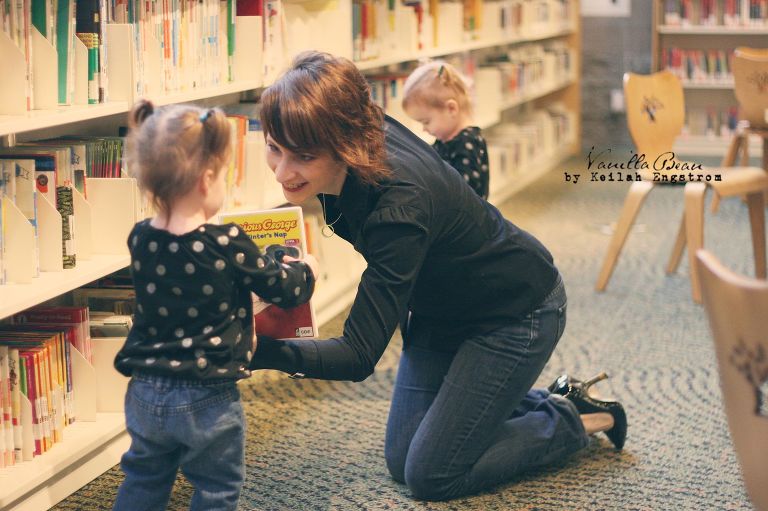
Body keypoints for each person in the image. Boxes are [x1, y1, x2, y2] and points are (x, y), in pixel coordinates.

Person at [250, 51, 627, 502]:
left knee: (431, 474)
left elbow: (357, 355)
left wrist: (255, 351)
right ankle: (498, 399)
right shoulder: (353, 117)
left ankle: (572, 417)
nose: (282, 171)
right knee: (401, 459)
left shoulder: (398, 208)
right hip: (439, 308)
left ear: (345, 145)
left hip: (513, 312)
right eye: (274, 148)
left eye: (304, 156)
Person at [112, 100, 317, 511]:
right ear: (207, 180)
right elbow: (284, 289)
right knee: (217, 486)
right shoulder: (227, 243)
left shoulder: (140, 237)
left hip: (145, 390)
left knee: (145, 476)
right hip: (206, 394)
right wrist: (304, 269)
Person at [401, 60, 490, 199]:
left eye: (426, 122)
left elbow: (464, 192)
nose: (424, 129)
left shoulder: (468, 142)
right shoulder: (445, 138)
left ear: (451, 109)